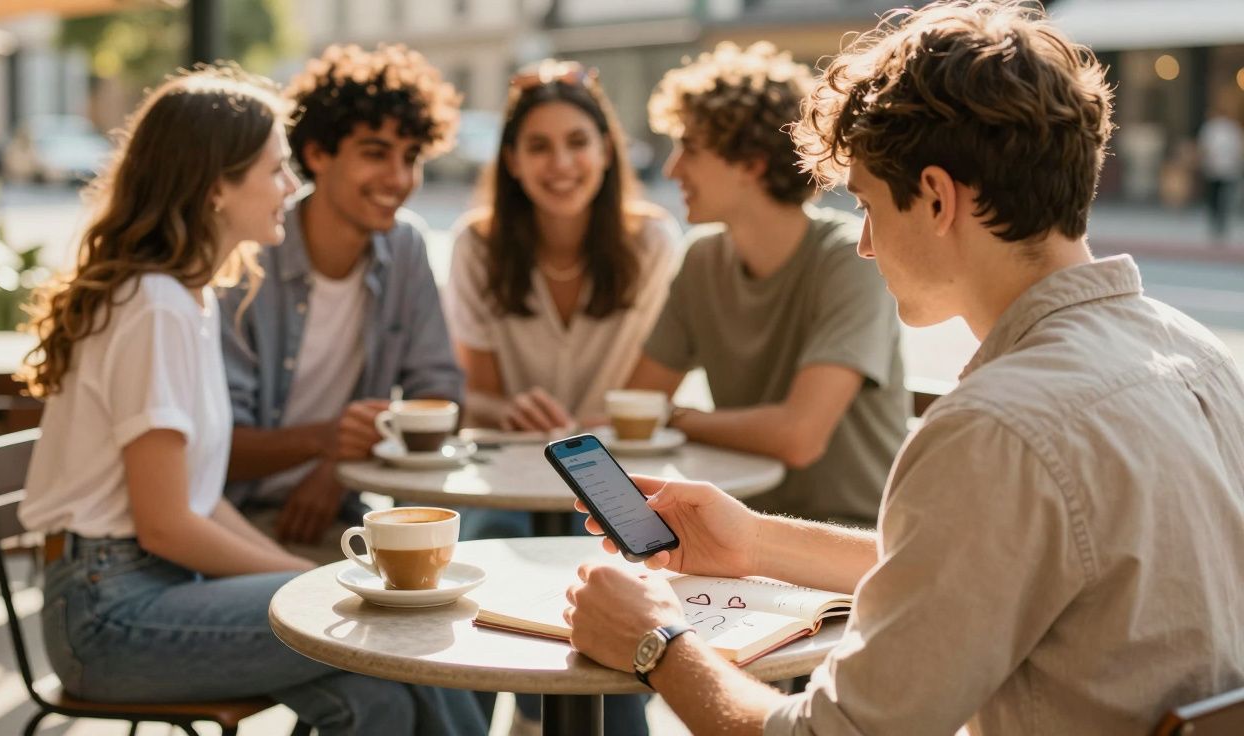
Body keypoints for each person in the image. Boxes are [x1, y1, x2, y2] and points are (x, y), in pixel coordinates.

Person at [562, 2, 1244, 734]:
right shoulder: (1195, 353)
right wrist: (756, 542)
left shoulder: (996, 428)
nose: (863, 243)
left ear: (937, 198)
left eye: (866, 203)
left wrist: (656, 643)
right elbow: (988, 571)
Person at [17, 66, 485, 736]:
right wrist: (312, 580)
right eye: (276, 171)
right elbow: (167, 525)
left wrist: (316, 574)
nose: (291, 190)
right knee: (373, 625)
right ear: (215, 186)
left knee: (380, 686)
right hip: (109, 614)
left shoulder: (189, 299)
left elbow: (200, 501)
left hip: (157, 587)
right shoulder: (155, 307)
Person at [443, 59, 680, 736]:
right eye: (538, 146)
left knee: (617, 571)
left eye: (578, 142)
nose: (561, 163)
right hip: (507, 473)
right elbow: (477, 395)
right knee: (488, 548)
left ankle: (550, 713)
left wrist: (590, 423)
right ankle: (499, 711)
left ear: (607, 151)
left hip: (611, 470)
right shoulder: (476, 246)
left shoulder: (653, 242)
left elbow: (648, 394)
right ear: (512, 161)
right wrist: (509, 411)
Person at [627, 41, 907, 524]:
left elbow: (799, 437)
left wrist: (674, 421)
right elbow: (638, 401)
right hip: (740, 529)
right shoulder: (702, 258)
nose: (672, 169)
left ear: (752, 164)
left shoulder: (849, 260)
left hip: (846, 540)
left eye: (689, 147)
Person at [218, 43, 465, 556]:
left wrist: (336, 469)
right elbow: (216, 448)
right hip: (233, 519)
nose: (398, 179)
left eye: (411, 157)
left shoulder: (405, 247)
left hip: (347, 516)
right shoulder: (248, 255)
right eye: (375, 153)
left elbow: (442, 394)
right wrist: (326, 441)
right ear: (317, 154)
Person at [1198, 102, 1242, 242]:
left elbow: (1205, 148)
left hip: (1218, 167)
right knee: (1223, 198)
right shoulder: (1232, 128)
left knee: (1215, 197)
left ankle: (1217, 223)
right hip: (1225, 168)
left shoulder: (1211, 128)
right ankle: (1220, 223)